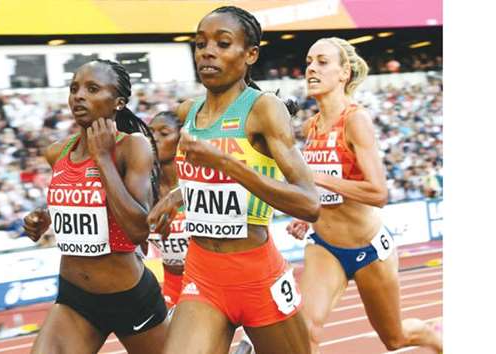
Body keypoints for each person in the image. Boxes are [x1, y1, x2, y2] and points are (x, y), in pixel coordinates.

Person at [147, 6, 320, 354]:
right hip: (203, 275)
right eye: (200, 44)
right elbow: (206, 179)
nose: (207, 51)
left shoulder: (263, 110)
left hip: (257, 274)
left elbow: (309, 202)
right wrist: (177, 195)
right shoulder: (188, 112)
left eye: (223, 44)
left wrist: (227, 163)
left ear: (250, 54)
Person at [286, 37, 442, 353]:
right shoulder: (310, 127)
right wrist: (305, 213)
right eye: (309, 62)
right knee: (307, 330)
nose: (312, 68)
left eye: (322, 62)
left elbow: (378, 193)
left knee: (394, 338)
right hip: (324, 246)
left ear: (344, 73)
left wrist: (320, 178)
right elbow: (318, 188)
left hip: (368, 248)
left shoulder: (356, 120)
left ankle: (435, 338)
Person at [23, 59, 168, 354]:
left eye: (92, 89)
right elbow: (86, 206)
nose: (78, 95)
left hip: (129, 298)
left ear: (118, 102)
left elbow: (139, 229)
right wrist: (45, 218)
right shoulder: (58, 152)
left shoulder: (132, 146)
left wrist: (103, 158)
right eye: (74, 88)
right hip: (75, 297)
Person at [146, 111, 188, 310]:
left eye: (164, 133)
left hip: (208, 279)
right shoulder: (143, 186)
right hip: (173, 282)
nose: (154, 138)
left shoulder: (196, 178)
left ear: (181, 138)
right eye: (150, 132)